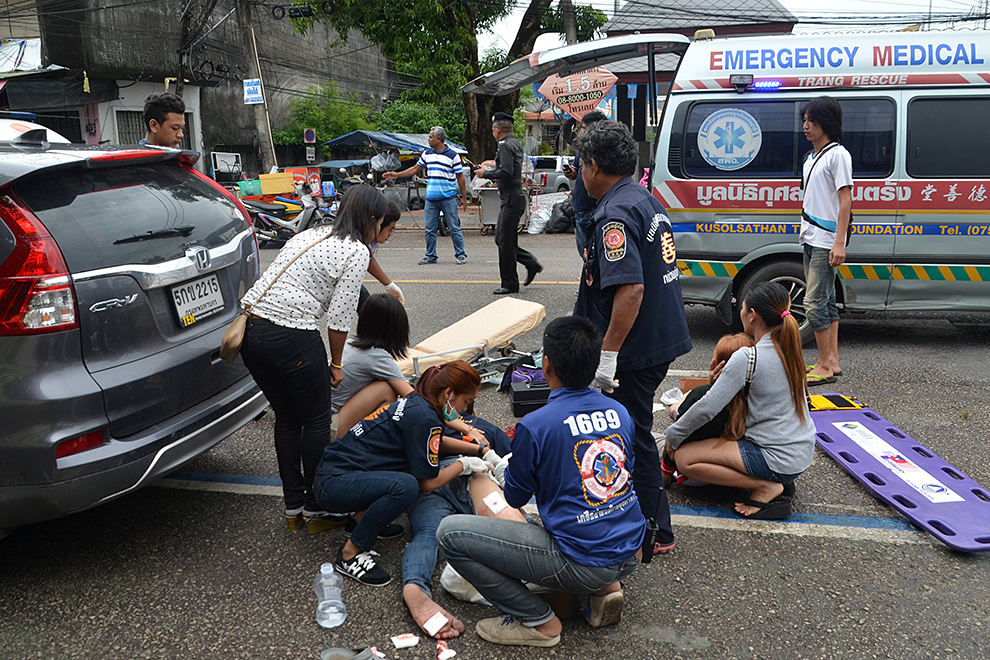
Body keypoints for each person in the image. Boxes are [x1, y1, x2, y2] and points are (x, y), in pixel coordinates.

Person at [437, 316, 645, 648]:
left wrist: (504, 464)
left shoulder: (536, 425)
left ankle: (540, 622)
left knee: (450, 534)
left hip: (583, 559)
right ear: (594, 365)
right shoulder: (619, 411)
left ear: (545, 364)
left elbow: (516, 497)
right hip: (630, 551)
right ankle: (605, 590)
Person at [573, 120, 692, 555]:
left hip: (636, 347)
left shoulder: (615, 214)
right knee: (632, 429)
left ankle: (655, 531)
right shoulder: (641, 196)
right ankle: (645, 519)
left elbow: (632, 288)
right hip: (657, 334)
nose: (580, 173)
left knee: (634, 434)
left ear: (593, 165)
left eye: (581, 164)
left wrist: (607, 356)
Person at [239, 185, 387, 535]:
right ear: (370, 219)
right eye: (380, 222)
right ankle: (320, 505)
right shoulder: (354, 251)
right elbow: (340, 318)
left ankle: (294, 507)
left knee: (288, 419)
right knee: (317, 420)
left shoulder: (313, 233)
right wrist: (337, 365)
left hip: (250, 331)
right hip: (291, 334)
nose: (380, 229)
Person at [313, 361, 492, 587]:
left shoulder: (418, 404)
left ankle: (360, 522)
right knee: (407, 485)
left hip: (337, 472)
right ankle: (350, 554)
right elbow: (428, 483)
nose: (465, 410)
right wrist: (464, 465)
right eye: (466, 401)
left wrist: (480, 450)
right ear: (448, 393)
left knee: (406, 470)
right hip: (333, 485)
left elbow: (430, 442)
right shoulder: (426, 419)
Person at [664, 282, 816, 520]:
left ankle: (765, 486)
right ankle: (775, 481)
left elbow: (707, 409)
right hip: (801, 454)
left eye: (742, 307)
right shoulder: (789, 349)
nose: (741, 312)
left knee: (684, 459)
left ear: (752, 315)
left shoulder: (749, 356)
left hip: (774, 456)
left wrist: (673, 436)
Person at [800, 96, 852, 387]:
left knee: (814, 303)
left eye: (812, 120)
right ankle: (831, 361)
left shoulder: (838, 155)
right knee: (828, 301)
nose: (806, 126)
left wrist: (839, 243)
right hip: (810, 235)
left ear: (827, 122)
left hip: (826, 239)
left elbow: (846, 201)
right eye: (805, 120)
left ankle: (823, 364)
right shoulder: (811, 158)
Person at [662, 333, 755, 486]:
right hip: (735, 470)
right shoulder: (757, 397)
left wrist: (709, 388)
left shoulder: (700, 396)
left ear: (715, 364)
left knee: (655, 440)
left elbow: (681, 433)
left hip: (693, 476)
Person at [475, 112, 542, 294]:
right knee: (503, 239)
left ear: (497, 130)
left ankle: (510, 283)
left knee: (504, 241)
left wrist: (485, 174)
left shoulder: (505, 145)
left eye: (492, 129)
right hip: (513, 198)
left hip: (512, 198)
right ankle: (531, 263)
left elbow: (505, 170)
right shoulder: (514, 143)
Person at [382, 126, 468, 265]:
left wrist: (464, 198)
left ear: (438, 139)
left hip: (448, 198)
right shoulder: (427, 154)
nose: (428, 140)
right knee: (429, 229)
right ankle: (431, 255)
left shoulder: (453, 155)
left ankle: (460, 254)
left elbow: (460, 177)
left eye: (430, 137)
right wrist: (396, 174)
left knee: (454, 227)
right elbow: (416, 169)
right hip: (431, 199)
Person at [562, 110, 608, 257]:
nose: (579, 131)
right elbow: (575, 172)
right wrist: (571, 173)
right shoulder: (581, 149)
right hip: (579, 210)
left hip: (594, 211)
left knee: (596, 256)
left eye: (583, 127)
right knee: (585, 255)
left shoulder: (604, 151)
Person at [358, 200, 404, 310]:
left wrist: (388, 284)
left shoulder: (371, 241)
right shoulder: (356, 244)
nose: (391, 234)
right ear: (378, 224)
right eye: (390, 229)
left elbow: (368, 258)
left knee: (367, 309)